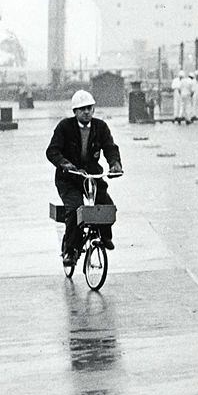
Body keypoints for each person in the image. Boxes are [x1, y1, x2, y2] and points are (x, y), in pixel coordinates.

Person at [46, 90, 123, 267]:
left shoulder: (100, 127)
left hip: (91, 176)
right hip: (69, 178)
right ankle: (71, 251)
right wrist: (64, 163)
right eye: (82, 109)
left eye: (89, 108)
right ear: (75, 112)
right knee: (74, 209)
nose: (86, 112)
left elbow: (110, 147)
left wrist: (115, 164)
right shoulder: (64, 127)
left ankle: (105, 236)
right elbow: (52, 151)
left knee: (106, 204)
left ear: (93, 109)